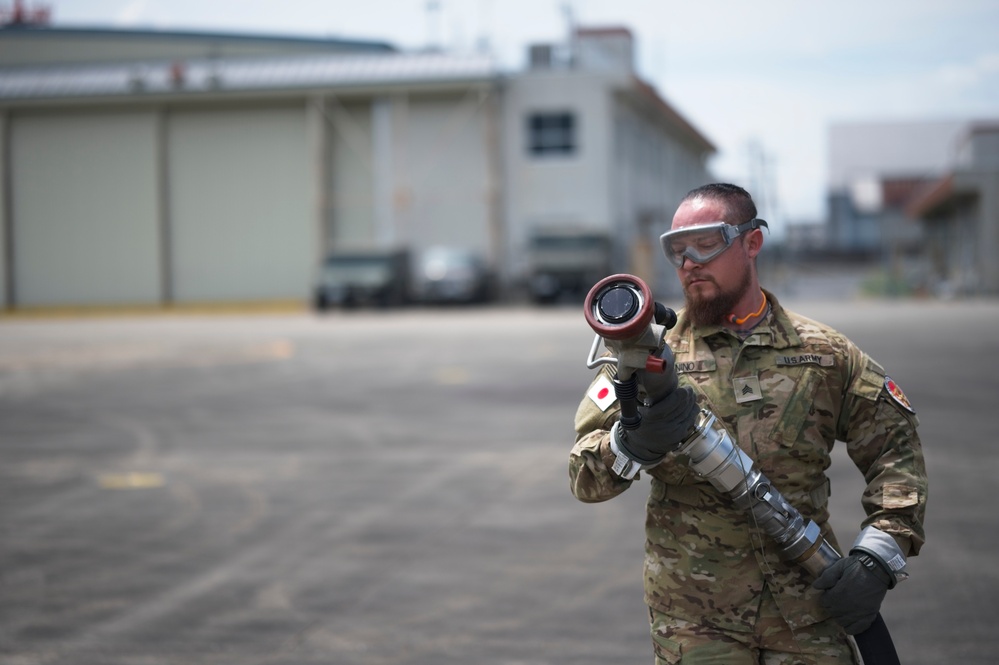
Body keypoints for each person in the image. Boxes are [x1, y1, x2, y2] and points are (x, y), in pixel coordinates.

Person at [569, 183, 927, 664]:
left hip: (809, 610)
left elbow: (896, 451)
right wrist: (631, 443)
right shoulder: (647, 357)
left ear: (752, 242)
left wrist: (878, 556)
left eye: (706, 243)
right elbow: (584, 476)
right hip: (696, 620)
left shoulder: (824, 354)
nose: (689, 260)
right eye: (676, 249)